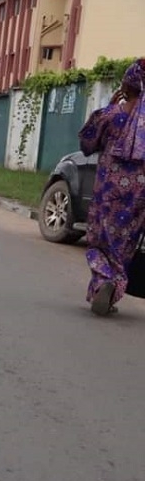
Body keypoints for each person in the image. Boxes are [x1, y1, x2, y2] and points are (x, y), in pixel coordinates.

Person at [77, 59, 145, 316]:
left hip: (108, 191)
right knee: (125, 242)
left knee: (99, 239)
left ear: (125, 87)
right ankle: (114, 287)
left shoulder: (112, 115)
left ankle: (104, 280)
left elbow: (87, 143)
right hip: (138, 196)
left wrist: (108, 107)